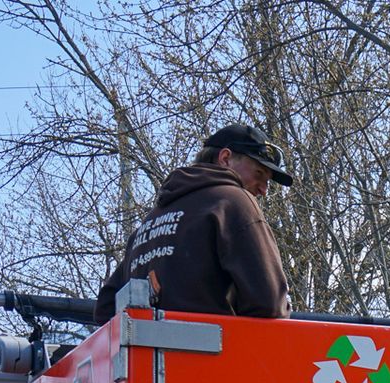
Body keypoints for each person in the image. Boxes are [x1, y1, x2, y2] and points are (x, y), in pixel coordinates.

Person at [94, 123, 292, 323]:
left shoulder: (148, 223)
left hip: (143, 351)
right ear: (225, 159)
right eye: (259, 174)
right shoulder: (232, 201)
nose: (264, 190)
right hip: (212, 350)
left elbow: (105, 308)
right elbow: (270, 302)